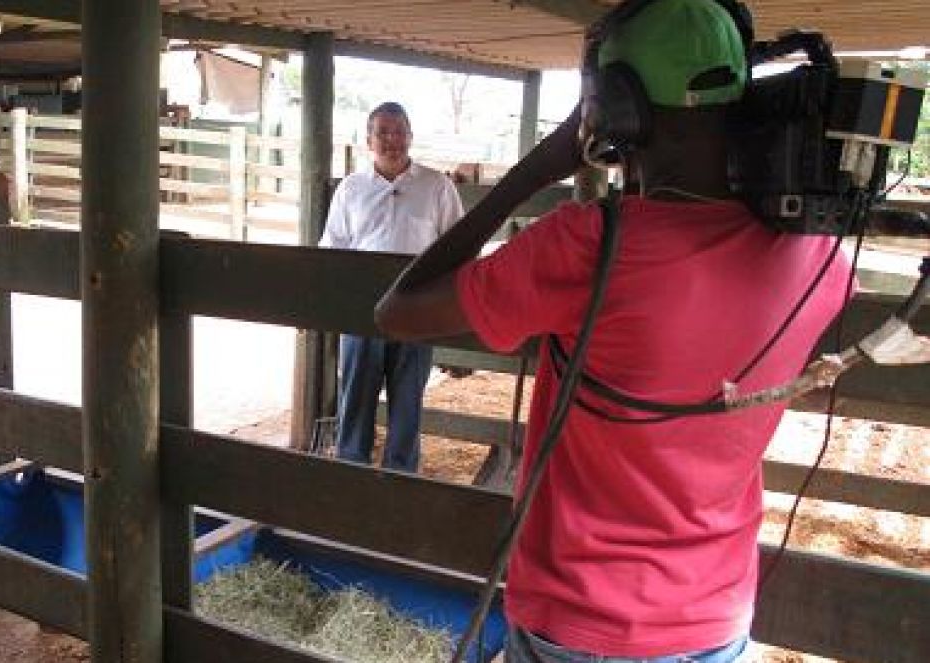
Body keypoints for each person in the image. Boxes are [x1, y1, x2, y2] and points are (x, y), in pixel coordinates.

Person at [374, 0, 851, 661]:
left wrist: (533, 172)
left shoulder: (588, 246)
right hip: (715, 623)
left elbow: (398, 311)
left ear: (618, 109)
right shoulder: (819, 256)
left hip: (583, 620)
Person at [319, 102, 464, 472]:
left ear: (410, 137)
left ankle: (401, 477)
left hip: (418, 310)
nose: (391, 139)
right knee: (356, 396)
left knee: (408, 401)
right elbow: (333, 248)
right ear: (369, 140)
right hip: (363, 310)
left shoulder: (437, 186)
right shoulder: (351, 189)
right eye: (382, 132)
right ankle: (351, 470)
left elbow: (459, 247)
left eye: (399, 131)